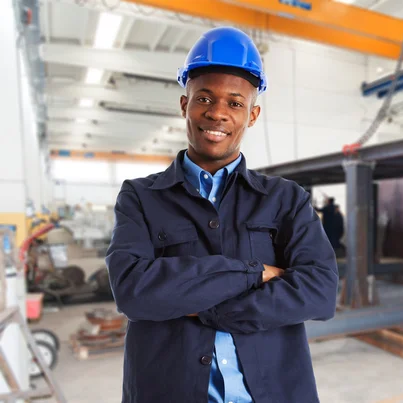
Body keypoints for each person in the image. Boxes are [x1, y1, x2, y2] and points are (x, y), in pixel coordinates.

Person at [105, 26, 338, 403]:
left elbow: (320, 292)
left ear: (253, 114)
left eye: (235, 103)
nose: (217, 113)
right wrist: (255, 272)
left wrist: (208, 308)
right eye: (204, 99)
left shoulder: (285, 199)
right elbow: (133, 291)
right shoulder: (140, 197)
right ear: (185, 105)